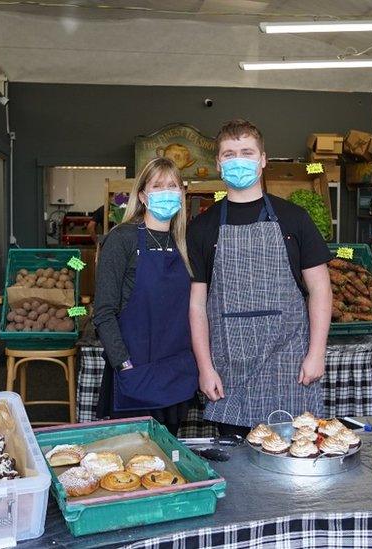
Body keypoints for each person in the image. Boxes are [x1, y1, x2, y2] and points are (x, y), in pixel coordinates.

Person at [187, 119, 333, 437]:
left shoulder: (295, 219)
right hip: (228, 367)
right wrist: (205, 367)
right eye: (229, 153)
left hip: (289, 364)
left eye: (247, 152)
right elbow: (197, 306)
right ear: (218, 163)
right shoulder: (201, 227)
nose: (238, 160)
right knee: (236, 473)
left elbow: (320, 288)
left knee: (294, 466)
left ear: (263, 160)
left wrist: (316, 353)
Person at [93, 157, 198, 435]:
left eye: (173, 185)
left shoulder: (185, 243)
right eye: (158, 186)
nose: (167, 192)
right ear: (142, 195)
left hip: (174, 374)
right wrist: (124, 364)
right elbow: (103, 312)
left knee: (169, 467)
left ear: (182, 193)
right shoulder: (122, 239)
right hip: (134, 374)